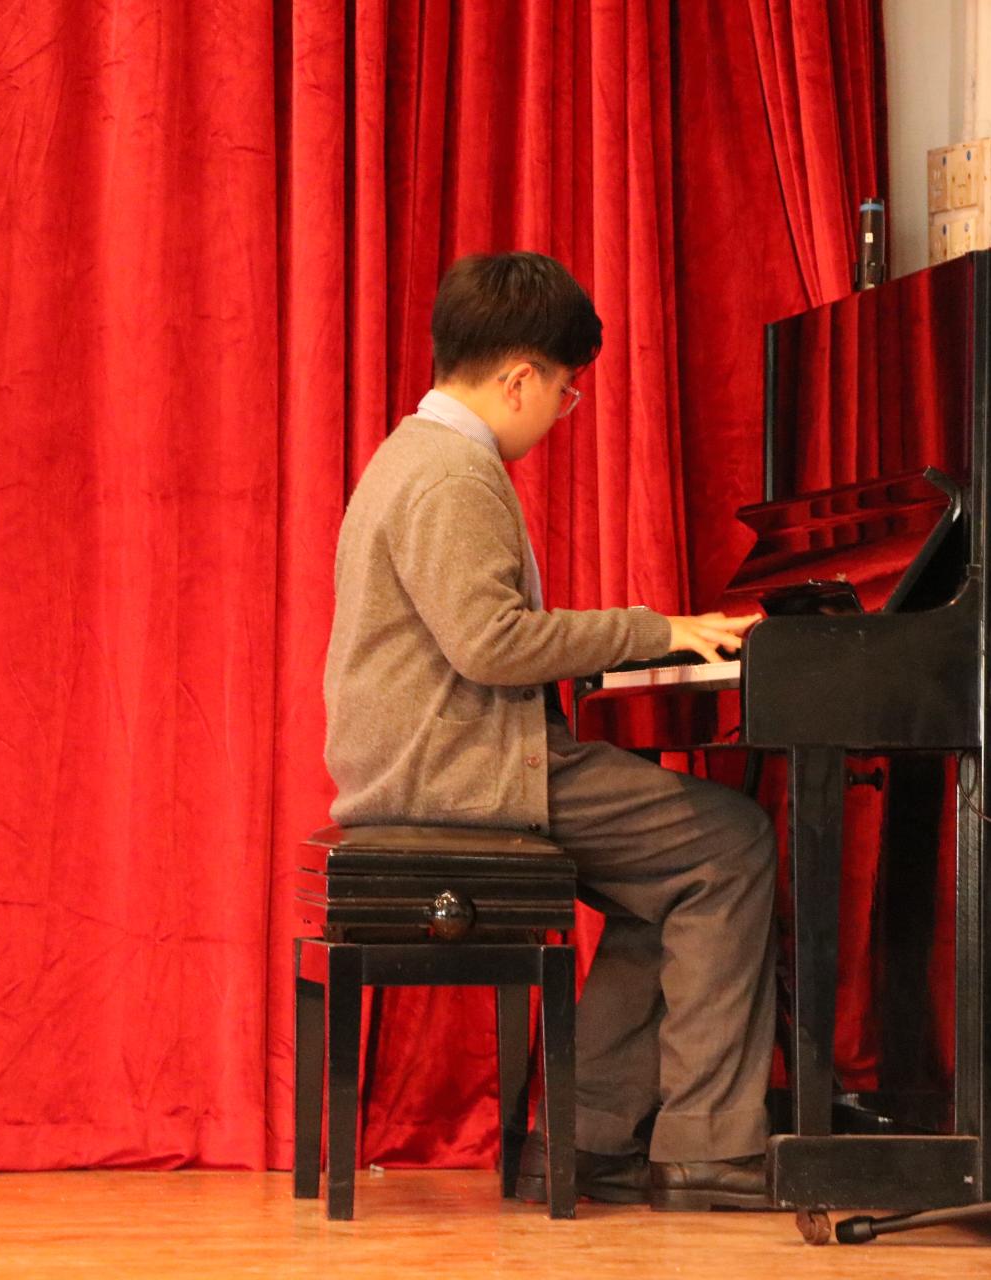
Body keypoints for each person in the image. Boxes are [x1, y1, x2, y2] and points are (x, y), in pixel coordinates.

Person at [321, 251, 777, 1211]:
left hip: (446, 755)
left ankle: (583, 1138)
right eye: (567, 392)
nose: (563, 411)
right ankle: (703, 1148)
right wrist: (656, 631)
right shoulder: (452, 474)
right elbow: (491, 644)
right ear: (521, 378)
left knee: (668, 881)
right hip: (459, 769)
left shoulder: (411, 454)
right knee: (730, 844)